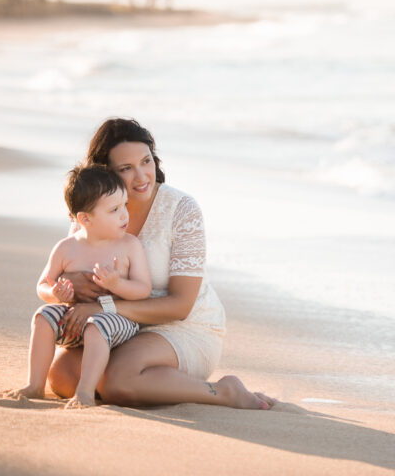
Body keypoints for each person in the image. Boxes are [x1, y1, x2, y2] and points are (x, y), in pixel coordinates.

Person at [47, 118, 273, 410]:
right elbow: (71, 274)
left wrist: (103, 307)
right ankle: (143, 381)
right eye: (126, 169)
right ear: (106, 174)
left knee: (118, 381)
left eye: (146, 161)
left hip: (183, 328)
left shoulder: (181, 209)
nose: (141, 176)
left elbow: (181, 306)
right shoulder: (94, 211)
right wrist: (71, 285)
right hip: (116, 327)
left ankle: (224, 391)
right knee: (62, 377)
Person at [6, 164, 152, 409]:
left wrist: (118, 284)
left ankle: (84, 391)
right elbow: (42, 285)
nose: (124, 215)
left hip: (117, 320)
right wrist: (55, 293)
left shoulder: (129, 245)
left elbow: (143, 290)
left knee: (97, 325)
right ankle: (35, 384)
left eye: (124, 205)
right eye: (114, 210)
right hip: (73, 320)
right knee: (43, 316)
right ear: (85, 219)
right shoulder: (66, 248)